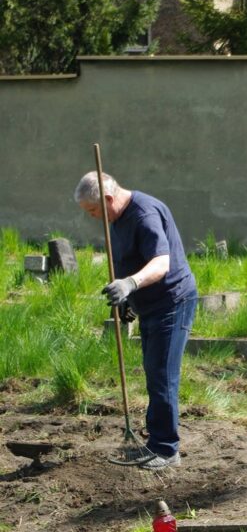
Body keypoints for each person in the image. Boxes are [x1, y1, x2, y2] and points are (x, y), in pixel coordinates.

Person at [74, 171, 197, 470]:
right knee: (154, 371)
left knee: (162, 374)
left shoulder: (144, 214)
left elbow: (161, 263)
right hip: (151, 306)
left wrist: (130, 284)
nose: (92, 218)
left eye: (93, 211)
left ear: (107, 199)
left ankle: (167, 450)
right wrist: (127, 299)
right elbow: (127, 258)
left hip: (172, 302)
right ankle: (156, 442)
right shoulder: (115, 220)